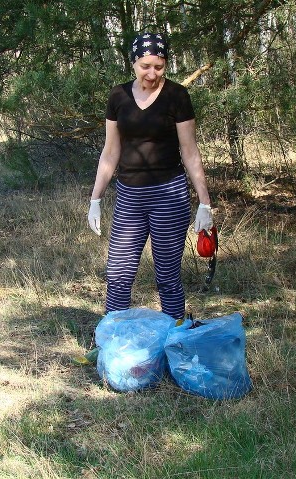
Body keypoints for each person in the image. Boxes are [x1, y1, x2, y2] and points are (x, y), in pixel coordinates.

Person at [87, 32, 213, 321]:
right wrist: (96, 198)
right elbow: (110, 152)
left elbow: (190, 151)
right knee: (118, 274)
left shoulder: (177, 96)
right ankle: (113, 344)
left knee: (168, 276)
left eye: (159, 66)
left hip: (169, 194)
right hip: (130, 196)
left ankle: (173, 342)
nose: (152, 73)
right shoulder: (118, 96)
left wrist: (205, 204)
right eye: (145, 66)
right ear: (133, 62)